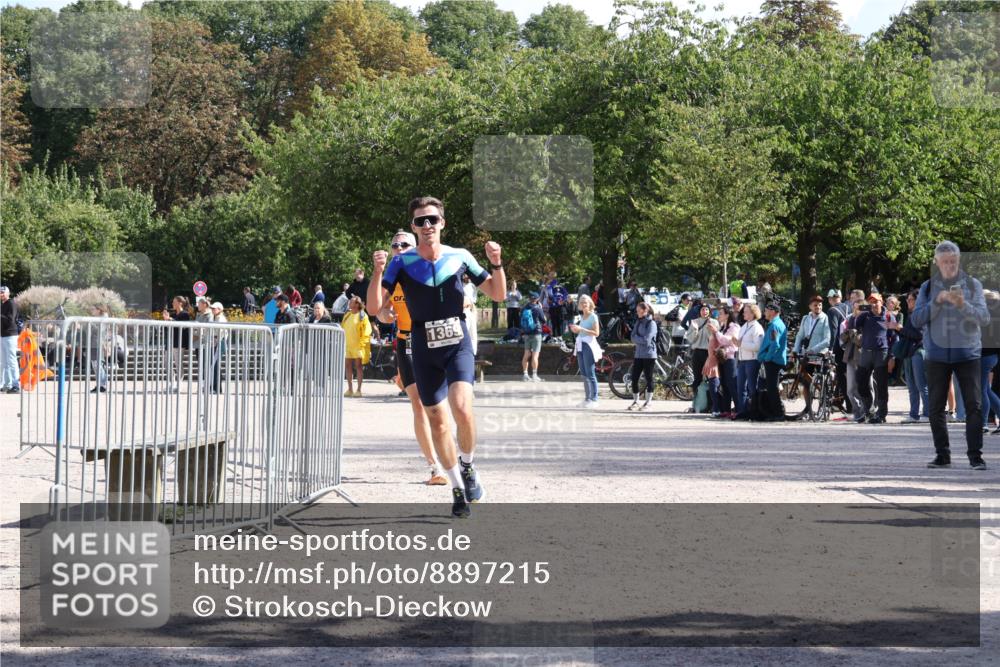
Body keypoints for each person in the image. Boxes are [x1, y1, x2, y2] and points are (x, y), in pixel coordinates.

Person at [368, 196, 507, 518]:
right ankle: (458, 487)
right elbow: (375, 309)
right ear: (415, 227)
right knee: (438, 422)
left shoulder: (460, 257)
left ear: (443, 223)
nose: (427, 226)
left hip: (456, 339)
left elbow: (498, 294)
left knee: (462, 409)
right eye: (420, 221)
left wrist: (497, 262)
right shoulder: (402, 262)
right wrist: (377, 273)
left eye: (432, 219)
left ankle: (469, 465)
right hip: (422, 342)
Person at [372, 230, 446, 486]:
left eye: (405, 244)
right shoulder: (391, 278)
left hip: (435, 340)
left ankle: (454, 457)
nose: (399, 248)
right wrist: (384, 316)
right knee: (418, 405)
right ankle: (434, 467)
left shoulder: (431, 269)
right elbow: (379, 311)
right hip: (407, 342)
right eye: (395, 245)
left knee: (438, 407)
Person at [910, 241, 990, 469]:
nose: (949, 266)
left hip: (968, 354)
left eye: (953, 261)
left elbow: (984, 318)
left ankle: (976, 456)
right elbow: (916, 320)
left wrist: (963, 304)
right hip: (936, 354)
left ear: (958, 261)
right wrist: (937, 301)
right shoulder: (927, 288)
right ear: (936, 262)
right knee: (935, 408)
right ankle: (942, 455)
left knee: (974, 406)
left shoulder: (973, 285)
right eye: (944, 262)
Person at [852, 293, 895, 424]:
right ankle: (869, 411)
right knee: (861, 382)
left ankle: (881, 414)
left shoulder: (888, 316)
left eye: (876, 301)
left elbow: (895, 338)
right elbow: (853, 326)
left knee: (881, 385)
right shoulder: (865, 316)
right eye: (871, 302)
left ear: (882, 302)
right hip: (866, 353)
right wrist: (857, 312)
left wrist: (892, 356)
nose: (874, 304)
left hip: (882, 353)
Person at [792, 296, 832, 419]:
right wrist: (795, 350)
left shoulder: (824, 318)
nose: (818, 307)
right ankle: (808, 410)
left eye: (820, 305)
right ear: (810, 306)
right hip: (807, 354)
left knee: (822, 380)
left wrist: (814, 349)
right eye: (815, 305)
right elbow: (800, 335)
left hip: (819, 353)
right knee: (805, 382)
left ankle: (823, 405)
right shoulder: (805, 318)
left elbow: (827, 339)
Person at [898, 289, 929, 424]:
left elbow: (919, 335)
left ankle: (928, 413)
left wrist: (899, 328)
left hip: (919, 352)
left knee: (922, 385)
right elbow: (908, 334)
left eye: (910, 300)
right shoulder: (911, 314)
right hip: (909, 353)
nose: (907, 302)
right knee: (911, 386)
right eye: (907, 300)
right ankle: (913, 414)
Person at [705, 304, 739, 418]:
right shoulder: (723, 327)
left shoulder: (734, 327)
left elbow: (725, 341)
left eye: (720, 313)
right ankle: (726, 410)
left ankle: (739, 409)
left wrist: (715, 332)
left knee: (732, 384)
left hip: (730, 359)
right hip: (722, 359)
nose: (718, 315)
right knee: (724, 385)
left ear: (727, 315)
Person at [685, 303, 718, 413]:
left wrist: (710, 330)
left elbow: (715, 338)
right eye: (703, 309)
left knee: (711, 378)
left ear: (709, 311)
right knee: (697, 378)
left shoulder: (714, 322)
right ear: (699, 311)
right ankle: (696, 405)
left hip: (709, 352)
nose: (704, 311)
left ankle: (712, 405)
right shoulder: (694, 322)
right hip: (697, 352)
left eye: (706, 309)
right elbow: (691, 340)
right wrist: (695, 330)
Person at [757, 303, 788, 421]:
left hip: (773, 361)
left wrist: (767, 358)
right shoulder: (775, 324)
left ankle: (778, 414)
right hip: (774, 360)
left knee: (772, 388)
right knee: (771, 387)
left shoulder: (775, 325)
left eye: (766, 310)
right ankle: (775, 413)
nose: (764, 312)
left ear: (773, 311)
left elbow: (775, 344)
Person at [570, 294, 602, 408]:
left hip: (588, 345)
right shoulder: (582, 317)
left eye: (585, 302)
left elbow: (596, 333)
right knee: (583, 373)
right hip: (580, 344)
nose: (583, 304)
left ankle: (594, 399)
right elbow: (582, 332)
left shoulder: (593, 316)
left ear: (590, 304)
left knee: (590, 372)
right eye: (581, 302)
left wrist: (581, 329)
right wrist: (576, 330)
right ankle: (587, 398)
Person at [735, 303, 764, 418]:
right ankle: (742, 412)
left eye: (746, 311)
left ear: (753, 313)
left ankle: (755, 411)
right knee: (740, 387)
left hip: (752, 360)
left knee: (752, 387)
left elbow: (758, 346)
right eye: (744, 311)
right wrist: (737, 343)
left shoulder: (757, 327)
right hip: (742, 360)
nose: (743, 313)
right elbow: (740, 343)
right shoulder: (744, 326)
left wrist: (741, 344)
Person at [627, 301, 657, 411]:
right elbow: (632, 336)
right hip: (638, 354)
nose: (637, 313)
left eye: (639, 311)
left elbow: (647, 340)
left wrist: (637, 339)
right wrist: (638, 339)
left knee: (649, 378)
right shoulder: (638, 322)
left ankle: (648, 402)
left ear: (645, 311)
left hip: (649, 355)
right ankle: (636, 401)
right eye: (637, 311)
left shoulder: (651, 324)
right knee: (634, 378)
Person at [161, 296, 192, 393]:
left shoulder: (185, 314)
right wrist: (166, 320)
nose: (172, 304)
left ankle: (179, 384)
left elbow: (182, 328)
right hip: (170, 342)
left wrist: (170, 319)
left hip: (179, 343)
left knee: (178, 364)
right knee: (166, 362)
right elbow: (167, 329)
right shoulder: (173, 314)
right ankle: (172, 383)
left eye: (174, 302)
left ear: (180, 303)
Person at [342, 296, 371, 397]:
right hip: (347, 345)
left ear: (357, 304)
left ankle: (358, 390)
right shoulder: (347, 315)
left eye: (351, 302)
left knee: (358, 366)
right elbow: (342, 328)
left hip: (358, 346)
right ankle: (350, 389)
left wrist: (362, 345)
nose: (349, 303)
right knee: (348, 366)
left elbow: (367, 331)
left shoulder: (363, 316)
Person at [825, 289, 849, 409]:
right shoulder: (847, 307)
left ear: (830, 299)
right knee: (848, 375)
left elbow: (833, 331)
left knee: (841, 375)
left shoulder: (832, 310)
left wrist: (830, 348)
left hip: (839, 347)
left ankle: (849, 405)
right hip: (850, 346)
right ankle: (838, 401)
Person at [982, 290, 1000, 434]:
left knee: (983, 389)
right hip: (992, 355)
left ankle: (982, 424)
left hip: (985, 355)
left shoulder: (986, 315)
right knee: (986, 389)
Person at [520, 292, 546, 382]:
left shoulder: (524, 308)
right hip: (536, 333)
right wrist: (541, 309)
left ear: (529, 299)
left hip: (527, 333)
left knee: (526, 354)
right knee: (535, 355)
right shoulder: (538, 308)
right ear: (537, 299)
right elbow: (543, 320)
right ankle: (534, 375)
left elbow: (521, 321)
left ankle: (525, 375)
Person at [0, 286, 21, 394]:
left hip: (10, 335)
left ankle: (16, 385)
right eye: (0, 292)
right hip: (3, 335)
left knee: (12, 361)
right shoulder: (2, 305)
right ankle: (5, 384)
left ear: (8, 293)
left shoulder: (11, 303)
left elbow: (10, 319)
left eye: (3, 292)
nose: (1, 294)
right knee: (3, 362)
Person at [208, 301, 228, 393]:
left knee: (215, 366)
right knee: (215, 366)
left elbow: (219, 333)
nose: (212, 310)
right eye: (212, 308)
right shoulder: (216, 317)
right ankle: (216, 387)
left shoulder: (220, 319)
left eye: (214, 308)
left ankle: (216, 388)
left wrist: (214, 339)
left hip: (220, 343)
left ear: (220, 309)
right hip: (217, 343)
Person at [461, 273, 478, 355]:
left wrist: (473, 306)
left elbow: (474, 298)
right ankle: (465, 351)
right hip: (464, 310)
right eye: (464, 276)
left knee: (473, 332)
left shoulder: (472, 285)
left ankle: (473, 352)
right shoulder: (460, 285)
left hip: (471, 309)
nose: (466, 277)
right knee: (465, 331)